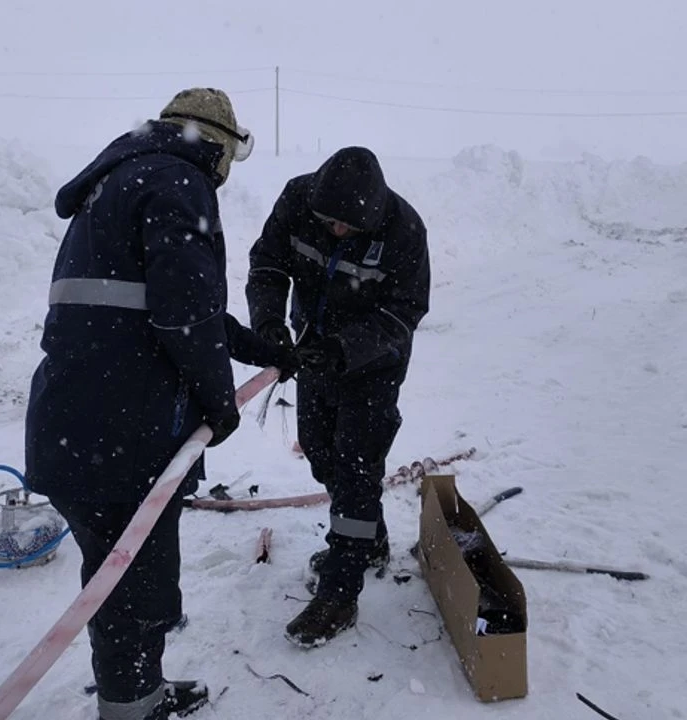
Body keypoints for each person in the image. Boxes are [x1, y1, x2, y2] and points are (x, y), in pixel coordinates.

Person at [23, 88, 293, 720]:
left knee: (115, 575)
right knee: (132, 588)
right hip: (125, 433)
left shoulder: (118, 179)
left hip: (76, 421)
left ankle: (137, 694)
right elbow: (184, 312)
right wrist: (219, 402)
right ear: (218, 147)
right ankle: (132, 709)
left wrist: (254, 346)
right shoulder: (179, 181)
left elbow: (158, 301)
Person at [245, 146, 431, 648]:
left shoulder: (403, 229)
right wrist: (267, 323)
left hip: (373, 365)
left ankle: (339, 592)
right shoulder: (297, 199)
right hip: (312, 352)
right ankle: (369, 541)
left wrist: (345, 349)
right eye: (330, 223)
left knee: (355, 468)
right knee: (321, 451)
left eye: (350, 227)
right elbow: (267, 263)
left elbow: (405, 311)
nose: (338, 233)